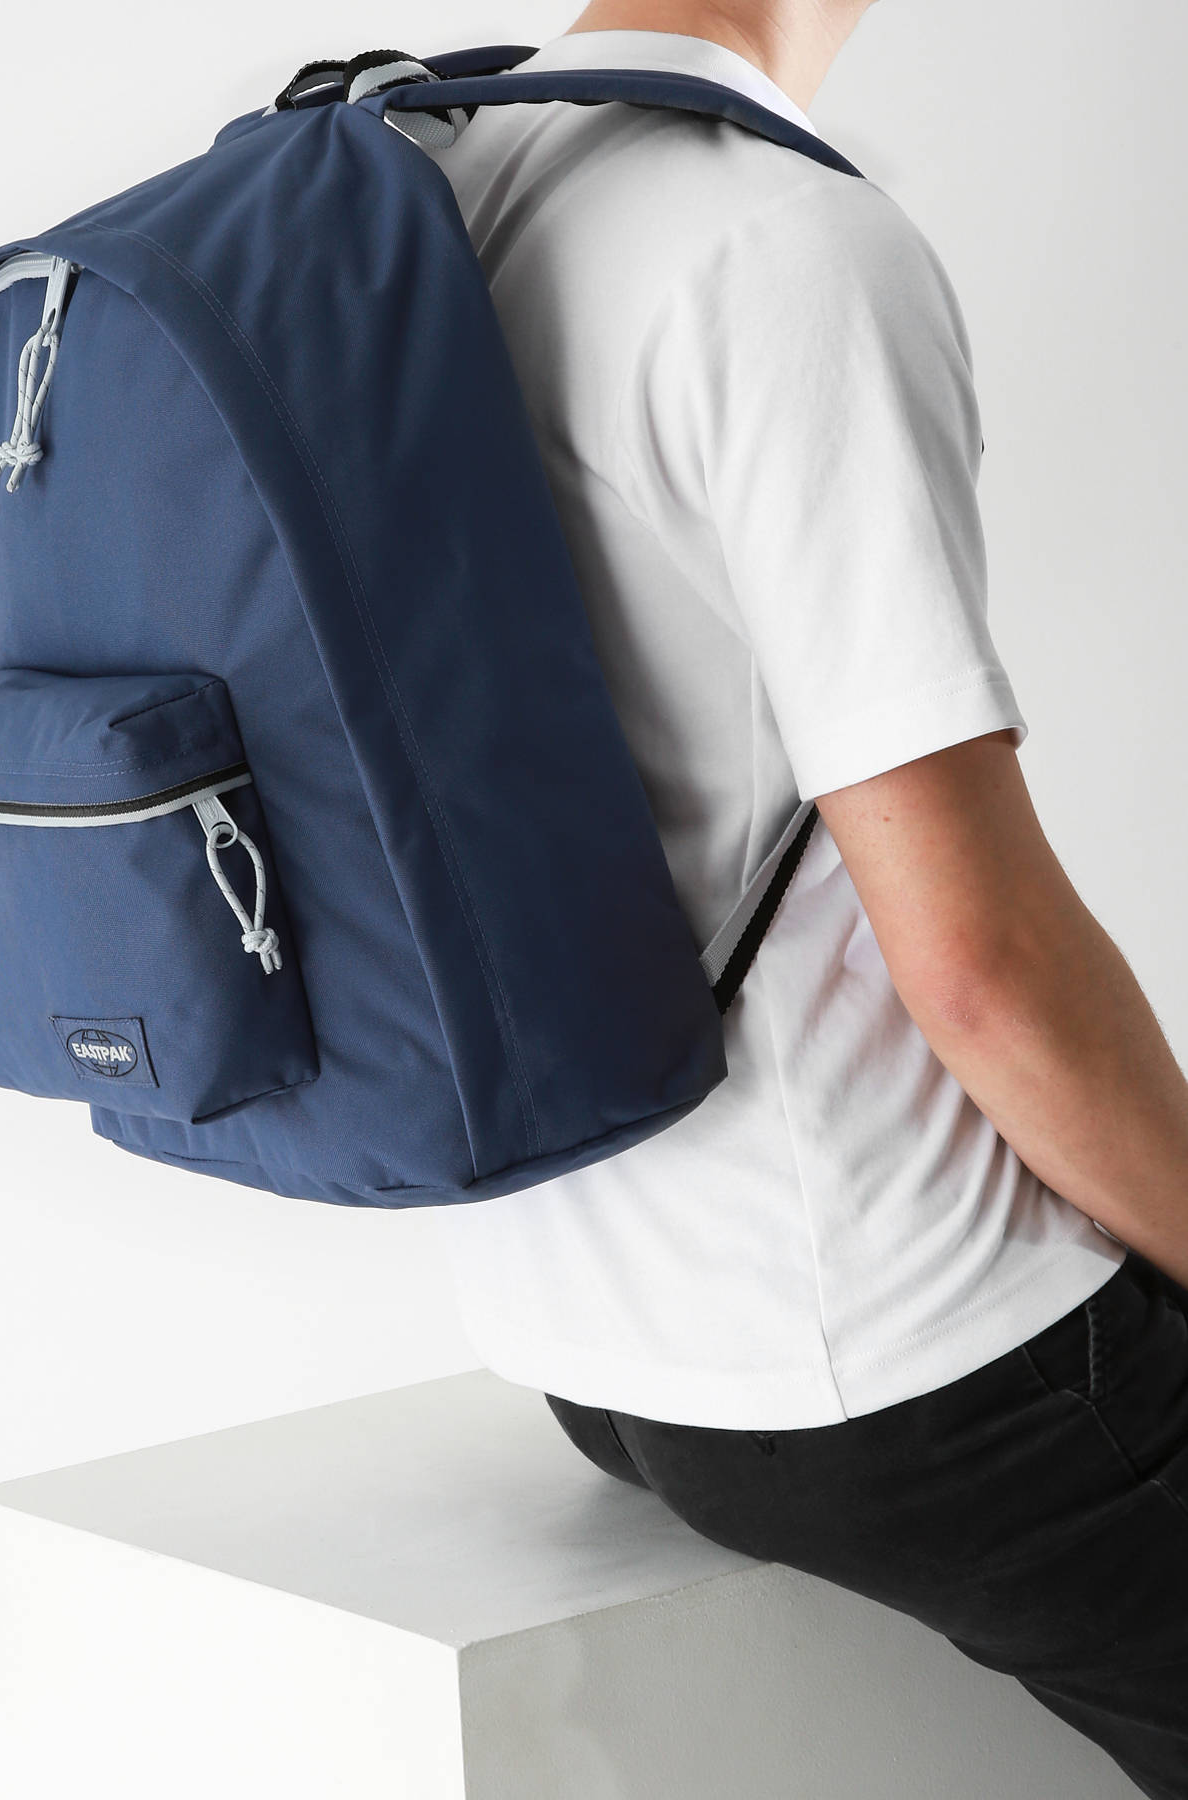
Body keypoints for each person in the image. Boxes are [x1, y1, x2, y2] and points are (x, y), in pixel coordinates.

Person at [428, 5, 1188, 1793]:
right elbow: (981, 967)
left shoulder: (434, 185)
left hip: (583, 1328)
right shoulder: (776, 241)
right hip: (896, 1347)